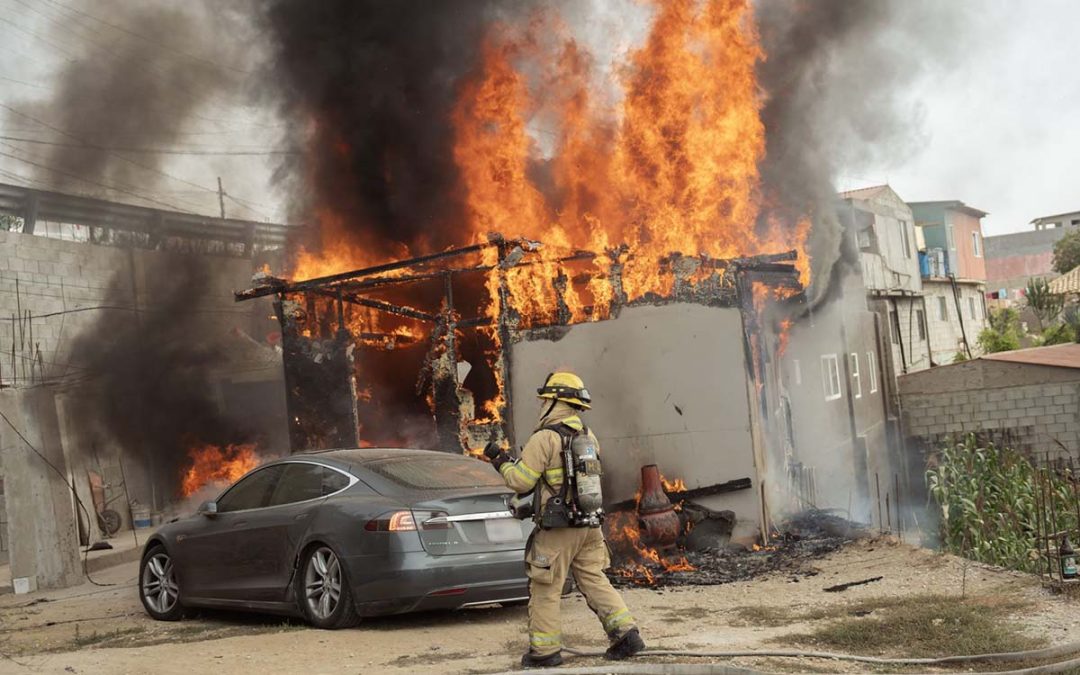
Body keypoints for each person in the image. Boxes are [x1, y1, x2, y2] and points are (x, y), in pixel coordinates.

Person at [485, 372, 645, 668]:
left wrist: (501, 462)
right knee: (594, 578)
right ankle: (627, 636)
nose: (541, 404)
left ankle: (544, 652)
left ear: (554, 401)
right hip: (588, 524)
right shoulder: (587, 435)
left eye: (544, 399)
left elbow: (521, 482)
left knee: (545, 586)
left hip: (559, 528)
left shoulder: (545, 437)